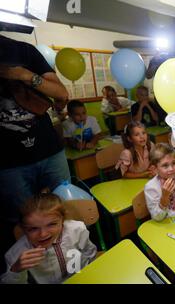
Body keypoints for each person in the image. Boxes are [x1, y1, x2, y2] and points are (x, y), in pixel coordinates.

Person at [0, 35, 70, 272]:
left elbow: (61, 94)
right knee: (23, 223)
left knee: (66, 209)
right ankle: (37, 272)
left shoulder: (23, 51)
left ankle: (72, 260)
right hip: (7, 163)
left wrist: (22, 75)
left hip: (49, 151)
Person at [1, 193, 97, 284]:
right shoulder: (17, 253)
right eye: (33, 229)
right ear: (24, 229)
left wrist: (88, 273)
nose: (43, 234)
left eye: (52, 224)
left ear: (63, 219)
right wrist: (16, 270)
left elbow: (89, 252)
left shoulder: (76, 229)